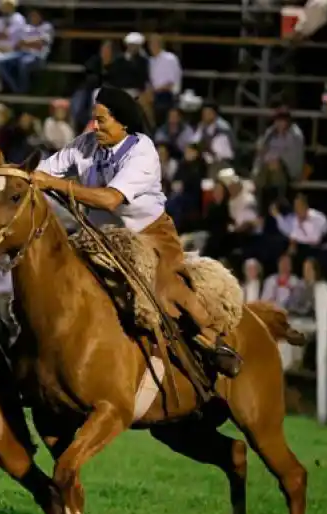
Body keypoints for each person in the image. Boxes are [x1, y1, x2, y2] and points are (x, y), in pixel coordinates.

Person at [28, 85, 242, 379]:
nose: (95, 126)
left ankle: (211, 337)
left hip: (149, 235)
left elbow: (110, 199)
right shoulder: (86, 144)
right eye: (94, 119)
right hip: (98, 237)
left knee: (164, 288)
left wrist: (56, 185)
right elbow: (42, 170)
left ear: (123, 121)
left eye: (102, 120)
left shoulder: (142, 151)